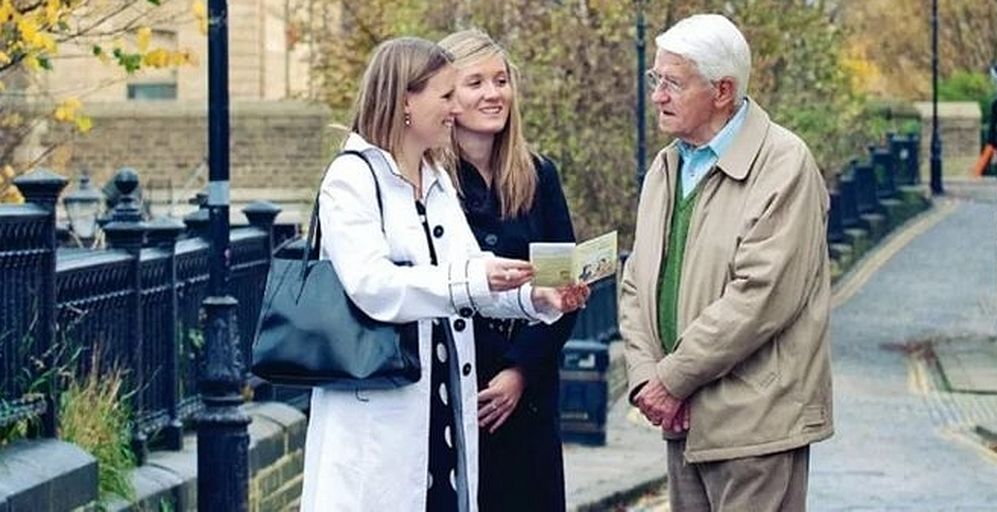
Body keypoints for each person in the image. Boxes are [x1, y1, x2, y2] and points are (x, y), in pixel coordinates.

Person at [300, 37, 587, 512]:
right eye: (448, 94)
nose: (456, 109)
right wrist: (474, 282)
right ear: (405, 100)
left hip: (444, 403)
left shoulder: (434, 180)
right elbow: (374, 286)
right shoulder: (352, 178)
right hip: (383, 403)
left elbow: (473, 272)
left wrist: (537, 300)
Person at [619, 14, 833, 511]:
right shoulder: (667, 165)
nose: (657, 96)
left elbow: (760, 297)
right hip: (682, 417)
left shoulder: (783, 162)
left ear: (722, 91)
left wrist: (670, 380)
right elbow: (636, 284)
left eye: (671, 83)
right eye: (656, 80)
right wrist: (646, 380)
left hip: (755, 424)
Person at [439, 29, 578, 512]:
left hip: (530, 389)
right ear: (447, 97)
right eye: (475, 82)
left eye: (500, 80)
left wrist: (520, 371)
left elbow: (564, 288)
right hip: (456, 391)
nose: (493, 93)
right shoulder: (429, 184)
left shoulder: (540, 175)